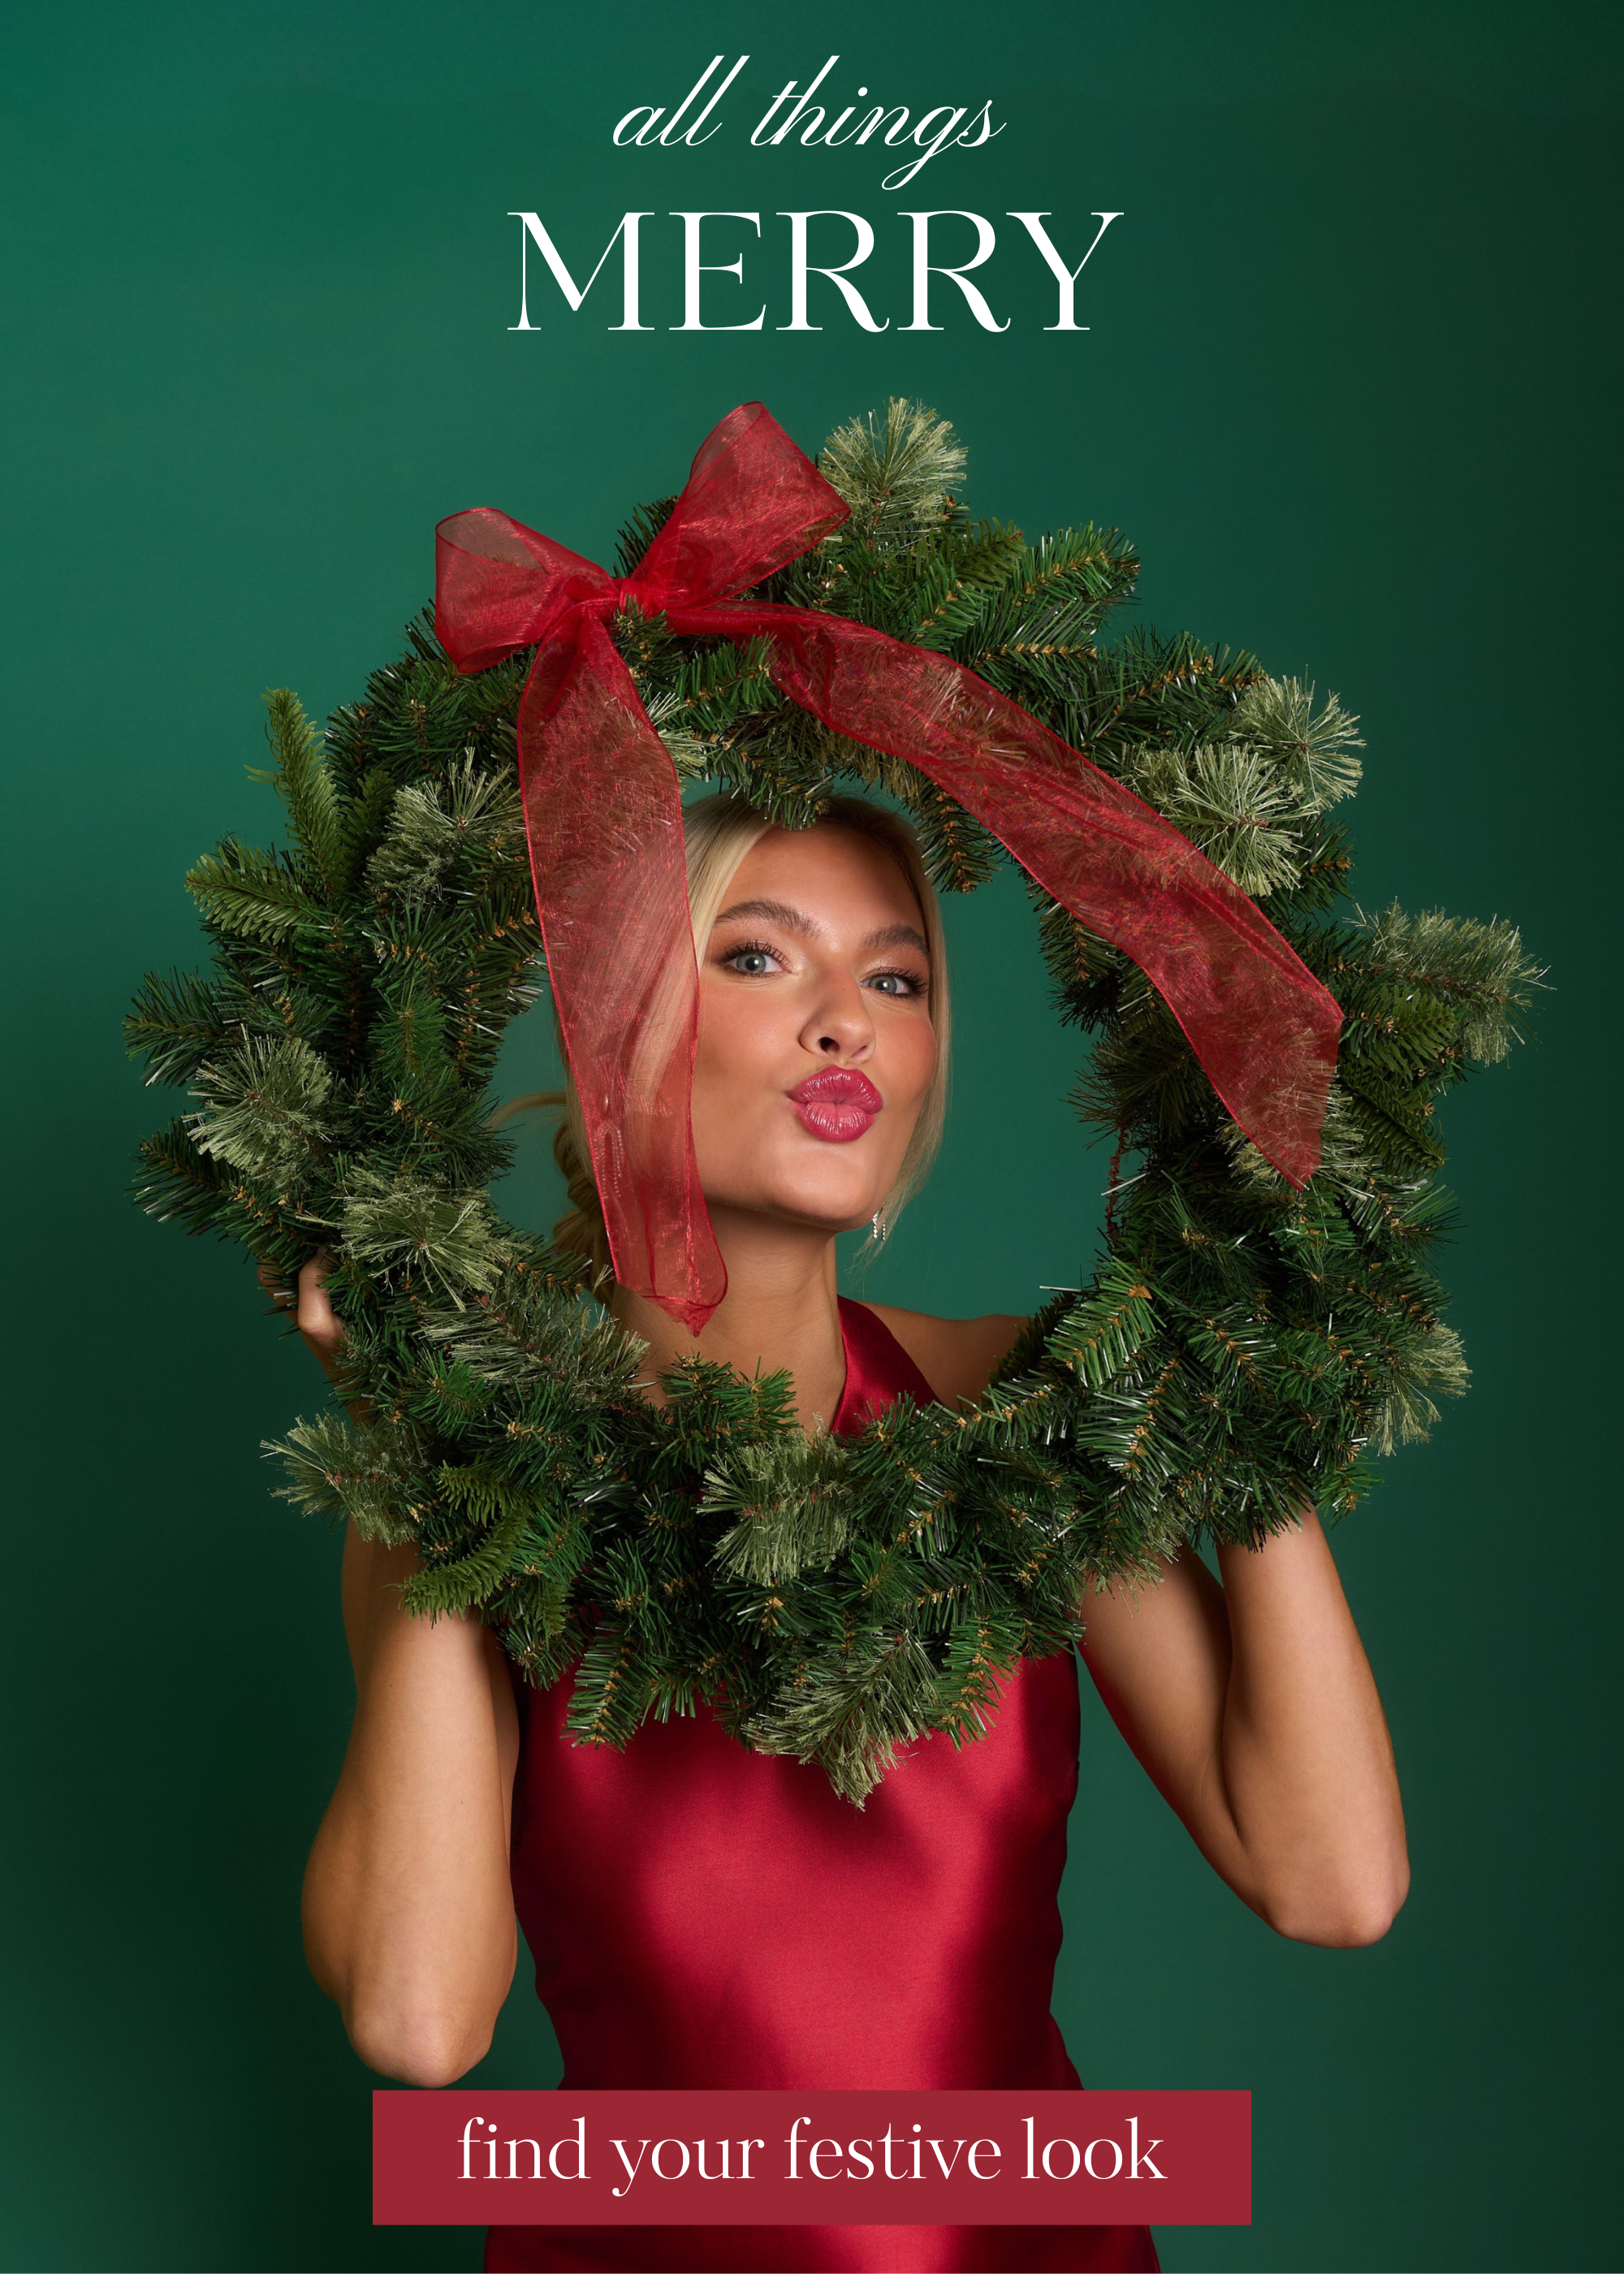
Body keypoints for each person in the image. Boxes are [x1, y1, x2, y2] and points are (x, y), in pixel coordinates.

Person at [269, 793, 1410, 2274]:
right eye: (760, 959)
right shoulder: (498, 1484)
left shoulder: (1013, 1410)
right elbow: (420, 2024)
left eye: (895, 978)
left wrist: (1241, 1369)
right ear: (620, 1017)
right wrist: (432, 1460)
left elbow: (1335, 1883)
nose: (846, 1028)